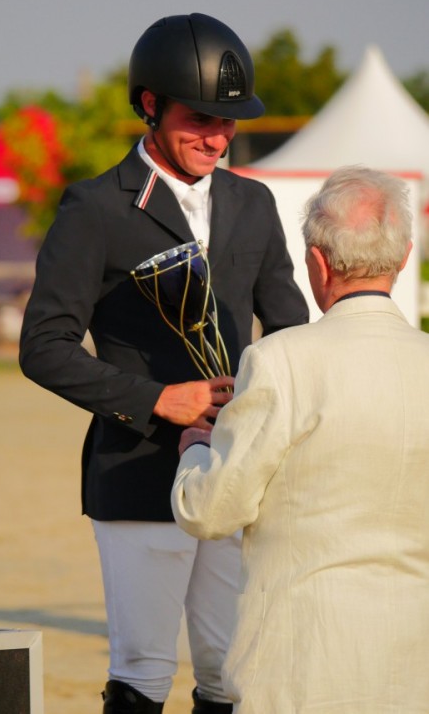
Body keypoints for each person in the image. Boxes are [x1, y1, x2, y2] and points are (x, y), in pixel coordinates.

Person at [19, 12, 308, 713]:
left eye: (228, 120)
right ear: (149, 104)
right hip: (139, 469)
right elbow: (43, 347)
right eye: (199, 118)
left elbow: (290, 327)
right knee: (145, 671)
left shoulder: (253, 202)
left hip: (237, 468)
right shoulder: (94, 208)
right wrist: (156, 399)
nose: (217, 137)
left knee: (230, 673)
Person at [172, 165, 429, 714]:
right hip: (414, 664)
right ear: (405, 257)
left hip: (302, 665)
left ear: (317, 262)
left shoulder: (279, 359)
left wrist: (194, 450)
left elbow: (212, 511)